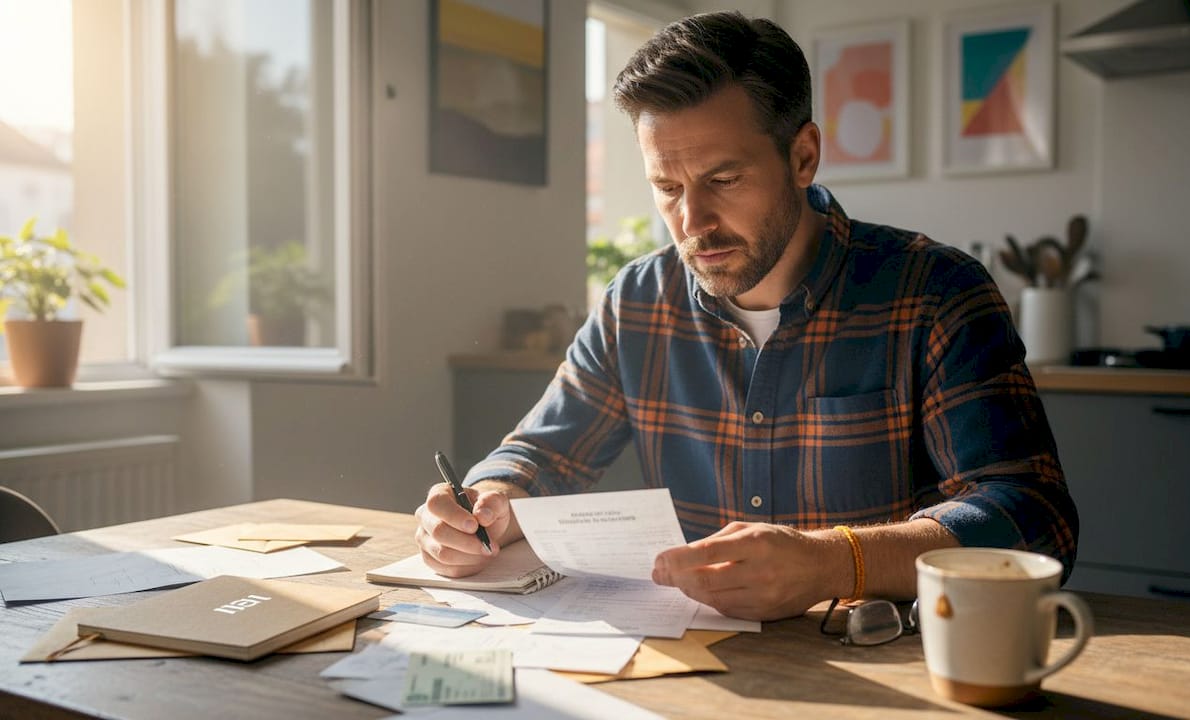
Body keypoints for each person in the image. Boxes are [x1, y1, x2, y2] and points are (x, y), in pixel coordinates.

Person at [415, 11, 1077, 622]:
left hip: (884, 662)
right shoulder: (637, 304)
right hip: (693, 666)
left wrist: (833, 561)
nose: (692, 222)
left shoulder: (935, 293)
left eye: (723, 180)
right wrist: (490, 499)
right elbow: (541, 453)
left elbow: (1033, 516)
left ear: (803, 156)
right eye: (668, 189)